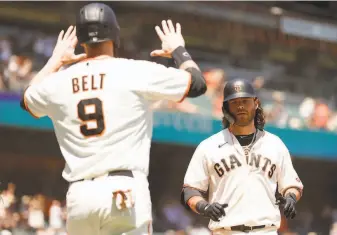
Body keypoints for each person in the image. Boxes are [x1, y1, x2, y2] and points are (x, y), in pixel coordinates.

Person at [20, 3, 207, 235]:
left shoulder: (59, 81)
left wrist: (56, 60)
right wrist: (178, 49)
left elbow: (27, 101)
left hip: (80, 197)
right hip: (124, 191)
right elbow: (197, 84)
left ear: (80, 39)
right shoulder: (134, 71)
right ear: (114, 34)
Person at [181, 78, 303, 234]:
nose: (240, 106)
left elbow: (292, 184)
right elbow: (190, 190)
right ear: (225, 107)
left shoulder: (275, 144)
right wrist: (204, 207)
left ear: (256, 103)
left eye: (245, 101)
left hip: (266, 231)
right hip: (226, 231)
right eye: (234, 102)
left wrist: (291, 198)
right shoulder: (209, 146)